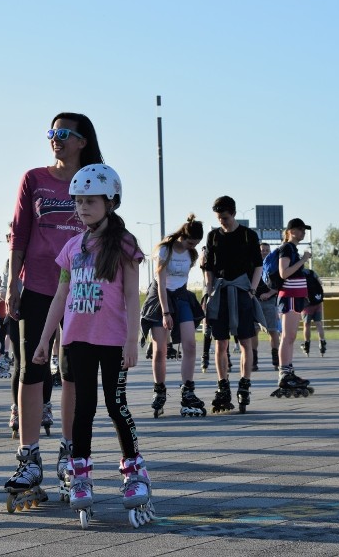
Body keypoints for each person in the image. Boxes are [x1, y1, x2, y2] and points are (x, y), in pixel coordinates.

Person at [32, 164, 153, 527]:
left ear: (110, 201)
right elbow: (60, 297)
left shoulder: (124, 244)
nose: (83, 207)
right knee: (82, 409)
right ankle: (80, 473)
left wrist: (132, 340)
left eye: (91, 201)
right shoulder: (72, 247)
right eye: (79, 201)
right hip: (77, 340)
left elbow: (133, 296)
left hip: (113, 341)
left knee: (117, 406)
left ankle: (134, 469)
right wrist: (44, 340)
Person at [4, 113, 103, 507]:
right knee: (33, 367)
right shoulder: (34, 178)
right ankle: (29, 456)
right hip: (39, 284)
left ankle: (69, 452)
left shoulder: (96, 177)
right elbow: (19, 232)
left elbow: (107, 231)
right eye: (51, 133)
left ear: (82, 140)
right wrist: (13, 282)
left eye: (63, 134)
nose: (55, 140)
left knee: (74, 369)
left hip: (83, 286)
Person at [202, 195, 264, 413]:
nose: (222, 222)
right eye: (219, 218)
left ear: (234, 214)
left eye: (225, 218)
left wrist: (252, 290)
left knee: (246, 342)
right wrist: (209, 292)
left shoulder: (249, 236)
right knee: (220, 343)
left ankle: (244, 384)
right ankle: (223, 386)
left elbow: (258, 265)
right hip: (220, 292)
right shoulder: (213, 237)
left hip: (242, 291)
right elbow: (208, 268)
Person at [140, 215, 206, 417]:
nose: (191, 246)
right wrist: (166, 312)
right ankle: (159, 389)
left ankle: (188, 389)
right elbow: (160, 282)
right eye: (189, 242)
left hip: (182, 295)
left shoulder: (191, 253)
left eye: (194, 244)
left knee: (190, 344)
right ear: (182, 236)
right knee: (160, 348)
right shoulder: (164, 250)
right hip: (161, 296)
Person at [274, 219, 314, 395]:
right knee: (287, 337)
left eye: (303, 229)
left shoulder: (293, 249)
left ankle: (289, 370)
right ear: (290, 231)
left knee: (291, 337)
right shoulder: (287, 248)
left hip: (296, 296)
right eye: (299, 229)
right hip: (289, 296)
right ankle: (284, 372)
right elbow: (284, 272)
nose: (303, 232)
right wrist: (304, 260)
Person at [256, 243, 281, 370]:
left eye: (266, 250)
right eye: (262, 250)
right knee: (253, 330)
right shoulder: (253, 266)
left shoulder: (274, 266)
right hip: (254, 301)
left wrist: (269, 293)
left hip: (270, 301)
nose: (264, 252)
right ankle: (253, 360)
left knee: (272, 330)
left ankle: (276, 359)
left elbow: (280, 285)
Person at [300, 268, 326, 357]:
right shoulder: (311, 272)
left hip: (307, 304)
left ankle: (307, 346)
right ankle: (322, 343)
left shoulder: (298, 273)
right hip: (317, 301)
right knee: (318, 323)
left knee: (306, 325)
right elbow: (320, 283)